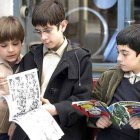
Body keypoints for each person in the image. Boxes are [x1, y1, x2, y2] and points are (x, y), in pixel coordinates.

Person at [11, 0, 93, 140]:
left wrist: (55, 109)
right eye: (39, 32)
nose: (43, 38)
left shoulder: (80, 59)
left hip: (63, 131)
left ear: (63, 25)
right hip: (28, 130)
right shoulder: (31, 56)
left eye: (48, 31)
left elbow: (83, 101)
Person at [91, 24, 140, 140]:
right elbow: (94, 104)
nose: (118, 58)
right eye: (118, 52)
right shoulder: (109, 76)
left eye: (125, 53)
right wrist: (98, 119)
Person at [0, 16, 24, 140]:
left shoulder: (27, 63)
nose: (10, 50)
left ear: (22, 42)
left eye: (15, 44)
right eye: (4, 46)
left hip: (16, 128)